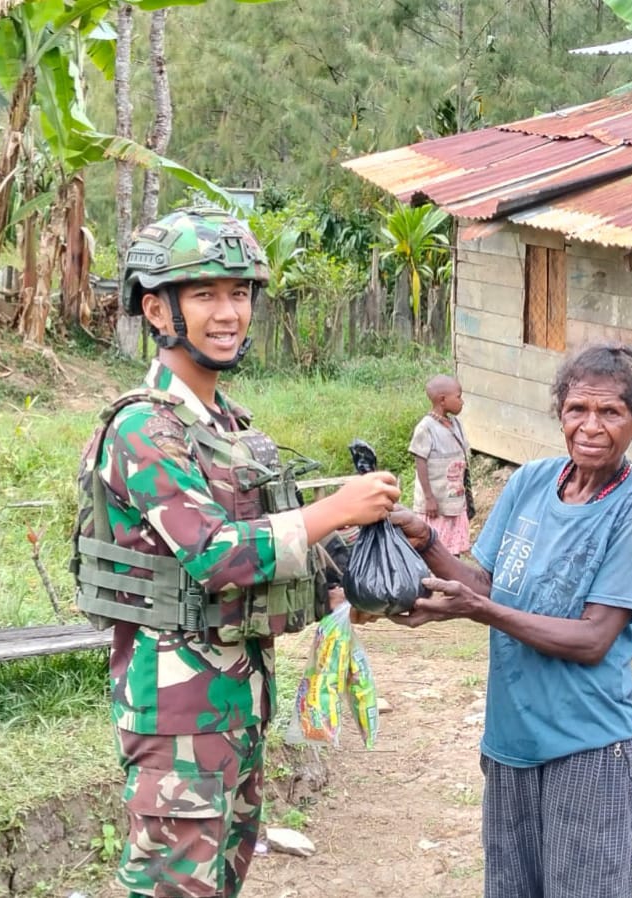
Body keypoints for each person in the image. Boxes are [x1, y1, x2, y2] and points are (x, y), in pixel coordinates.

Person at [71, 207, 402, 898]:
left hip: (239, 701)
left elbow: (271, 549)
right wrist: (335, 508)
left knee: (221, 880)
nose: (229, 313)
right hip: (179, 712)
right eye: (206, 295)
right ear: (157, 309)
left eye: (240, 293)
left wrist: (343, 580)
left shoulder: (227, 427)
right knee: (174, 887)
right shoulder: (143, 427)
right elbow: (217, 556)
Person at [390, 343, 632, 898]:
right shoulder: (533, 483)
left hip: (586, 748)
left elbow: (593, 639)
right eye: (577, 410)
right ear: (559, 414)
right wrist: (423, 543)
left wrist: (482, 612)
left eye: (610, 412)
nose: (591, 426)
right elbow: (487, 586)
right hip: (511, 739)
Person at [409, 373, 473, 555]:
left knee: (453, 549)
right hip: (436, 506)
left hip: (453, 500)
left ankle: (453, 576)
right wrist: (429, 498)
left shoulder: (456, 424)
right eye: (459, 397)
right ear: (442, 400)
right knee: (435, 549)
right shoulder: (426, 427)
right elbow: (420, 461)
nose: (462, 402)